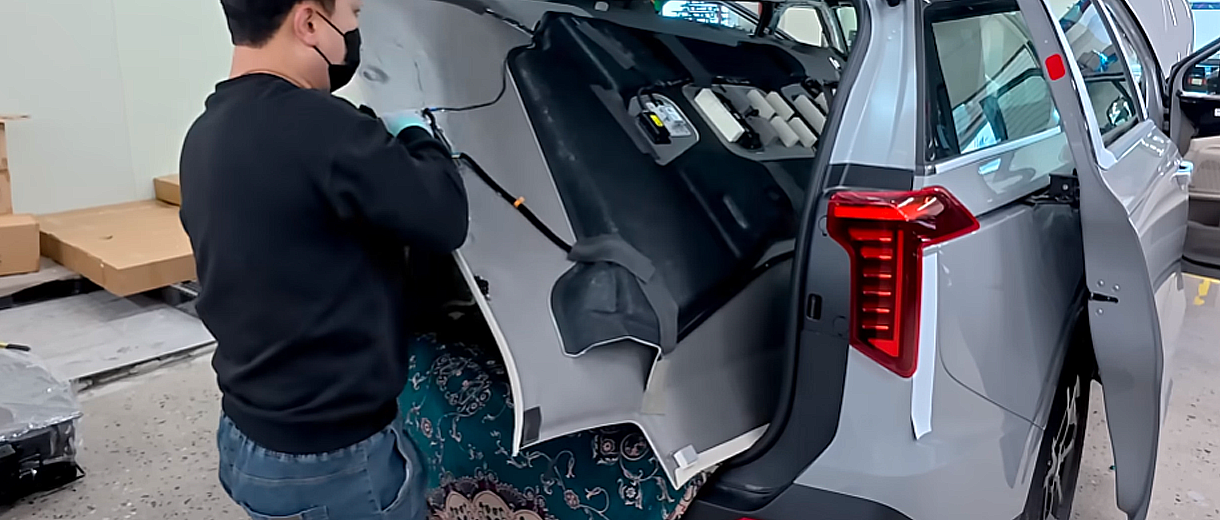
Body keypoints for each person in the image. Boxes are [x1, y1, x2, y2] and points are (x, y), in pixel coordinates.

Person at [178, 0, 468, 518]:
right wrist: (417, 134)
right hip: (333, 460)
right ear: (310, 22)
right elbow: (444, 216)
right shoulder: (321, 126)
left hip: (248, 433)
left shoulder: (206, 132)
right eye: (353, 13)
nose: (357, 29)